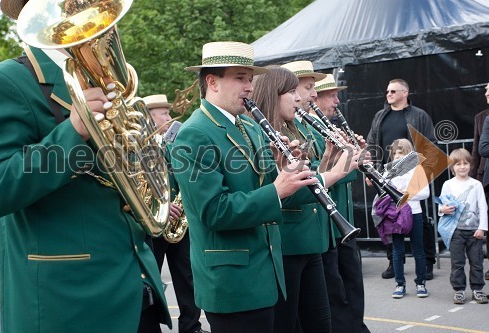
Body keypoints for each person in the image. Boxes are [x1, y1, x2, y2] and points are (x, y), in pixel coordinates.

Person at [0, 1, 171, 333]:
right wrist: (73, 132)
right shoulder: (7, 81)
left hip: (134, 288)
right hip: (67, 303)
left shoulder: (105, 81)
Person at [171, 41, 326, 333]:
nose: (249, 87)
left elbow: (269, 184)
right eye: (240, 78)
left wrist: (289, 172)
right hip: (232, 283)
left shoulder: (251, 126)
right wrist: (277, 190)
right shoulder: (194, 134)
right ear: (212, 82)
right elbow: (214, 211)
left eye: (250, 79)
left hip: (265, 275)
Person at [251, 65, 360, 333]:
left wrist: (329, 160)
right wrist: (336, 170)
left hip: (312, 241)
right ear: (273, 94)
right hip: (289, 242)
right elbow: (286, 195)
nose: (301, 97)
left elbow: (310, 179)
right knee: (290, 324)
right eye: (295, 90)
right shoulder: (263, 134)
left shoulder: (295, 129)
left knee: (320, 323)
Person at [142, 94, 209, 333]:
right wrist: (160, 204)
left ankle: (191, 326)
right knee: (151, 280)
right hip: (154, 224)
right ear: (149, 119)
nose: (170, 119)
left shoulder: (173, 143)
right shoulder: (137, 148)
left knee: (188, 278)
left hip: (180, 222)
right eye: (164, 114)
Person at [313, 74, 371, 332]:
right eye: (332, 95)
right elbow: (322, 175)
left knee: (353, 284)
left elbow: (345, 174)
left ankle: (357, 325)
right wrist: (345, 162)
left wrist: (359, 158)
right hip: (327, 222)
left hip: (343, 218)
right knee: (338, 292)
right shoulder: (311, 129)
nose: (337, 101)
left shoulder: (329, 126)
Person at [366, 78, 437, 280]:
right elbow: (372, 143)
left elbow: (430, 144)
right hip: (387, 175)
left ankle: (427, 263)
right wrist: (372, 172)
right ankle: (394, 262)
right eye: (387, 91)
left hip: (414, 172)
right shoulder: (380, 116)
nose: (388, 94)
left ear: (405, 93)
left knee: (420, 220)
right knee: (390, 218)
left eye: (393, 91)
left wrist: (423, 172)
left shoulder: (419, 115)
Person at [438, 148, 488, 304]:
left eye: (466, 163)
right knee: (457, 263)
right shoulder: (447, 184)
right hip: (455, 231)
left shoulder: (477, 184)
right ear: (452, 167)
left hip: (474, 232)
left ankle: (477, 290)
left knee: (477, 262)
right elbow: (441, 206)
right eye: (458, 164)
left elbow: (483, 208)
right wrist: (442, 210)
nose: (462, 167)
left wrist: (482, 228)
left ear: (470, 165)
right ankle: (459, 290)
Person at [384, 139, 430, 299]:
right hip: (395, 215)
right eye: (395, 153)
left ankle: (421, 283)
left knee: (418, 249)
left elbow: (426, 193)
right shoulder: (388, 170)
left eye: (402, 153)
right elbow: (383, 191)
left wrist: (407, 195)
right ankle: (399, 284)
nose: (398, 156)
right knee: (398, 250)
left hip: (415, 213)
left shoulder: (417, 170)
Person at [469, 82, 489, 280]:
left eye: (488, 90)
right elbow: (477, 150)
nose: (485, 93)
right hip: (486, 175)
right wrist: (473, 179)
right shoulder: (481, 117)